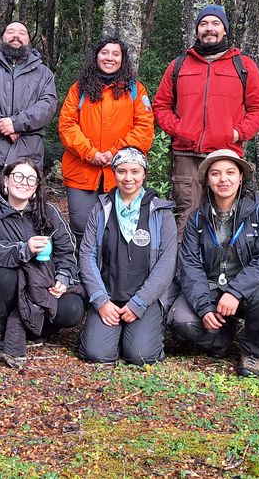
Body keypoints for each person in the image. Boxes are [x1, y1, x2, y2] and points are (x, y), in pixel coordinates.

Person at [167, 149, 259, 377]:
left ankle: (253, 352)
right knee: (182, 321)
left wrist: (235, 292)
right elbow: (190, 265)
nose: (223, 179)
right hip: (211, 288)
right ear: (207, 180)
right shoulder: (197, 218)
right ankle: (221, 337)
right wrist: (204, 306)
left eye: (230, 172)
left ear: (240, 177)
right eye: (215, 174)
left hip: (250, 290)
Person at [151, 4, 259, 226]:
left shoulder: (243, 66)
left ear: (225, 30)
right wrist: (180, 130)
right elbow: (160, 105)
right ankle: (185, 263)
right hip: (187, 157)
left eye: (216, 23)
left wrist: (236, 133)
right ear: (197, 30)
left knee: (225, 220)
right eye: (204, 24)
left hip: (225, 155)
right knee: (187, 220)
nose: (210, 28)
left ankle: (224, 262)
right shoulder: (179, 65)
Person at [0, 158, 83, 367]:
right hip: (8, 281)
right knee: (3, 277)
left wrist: (63, 276)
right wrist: (23, 249)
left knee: (72, 309)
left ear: (37, 186)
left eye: (31, 179)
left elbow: (68, 251)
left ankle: (36, 329)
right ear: (6, 181)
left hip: (42, 283)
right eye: (18, 176)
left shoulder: (49, 212)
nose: (24, 182)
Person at [77, 147, 177, 366]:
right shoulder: (102, 209)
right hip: (108, 295)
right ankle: (108, 332)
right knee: (97, 354)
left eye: (135, 171)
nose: (128, 177)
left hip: (144, 300)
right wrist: (100, 300)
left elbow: (167, 264)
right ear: (114, 173)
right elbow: (87, 255)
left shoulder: (161, 212)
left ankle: (138, 333)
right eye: (122, 171)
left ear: (144, 174)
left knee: (140, 356)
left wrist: (139, 303)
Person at [58, 36, 154, 244]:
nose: (109, 58)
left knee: (119, 231)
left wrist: (115, 154)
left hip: (122, 174)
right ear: (96, 56)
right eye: (104, 53)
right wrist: (91, 153)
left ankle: (114, 275)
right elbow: (67, 126)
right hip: (81, 173)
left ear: (123, 59)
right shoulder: (78, 89)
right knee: (82, 228)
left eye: (115, 54)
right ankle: (83, 274)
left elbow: (144, 129)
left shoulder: (135, 90)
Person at [0, 21, 58, 206]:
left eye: (22, 32)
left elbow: (47, 105)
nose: (16, 35)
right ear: (2, 37)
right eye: (11, 31)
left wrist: (17, 123)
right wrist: (1, 122)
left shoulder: (43, 73)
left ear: (29, 40)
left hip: (27, 153)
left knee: (27, 209)